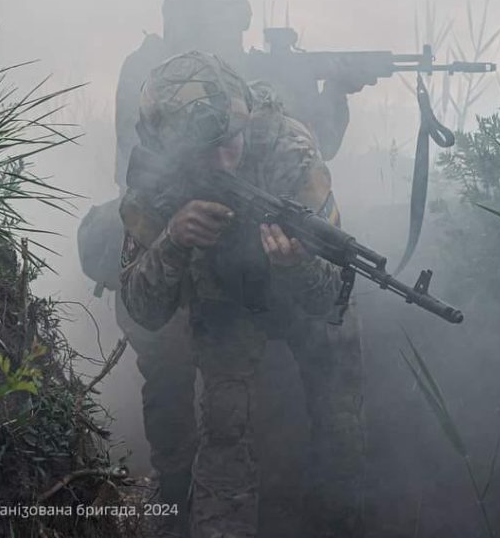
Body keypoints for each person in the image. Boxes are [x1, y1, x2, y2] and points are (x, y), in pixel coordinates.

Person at [118, 51, 364, 538]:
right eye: (201, 151)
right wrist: (174, 237)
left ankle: (341, 520)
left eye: (229, 141)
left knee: (342, 424)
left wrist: (296, 266)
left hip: (302, 293)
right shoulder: (154, 176)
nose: (221, 161)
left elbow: (331, 296)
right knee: (226, 431)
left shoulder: (289, 149)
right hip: (223, 301)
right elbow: (142, 309)